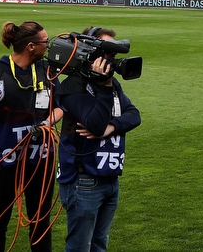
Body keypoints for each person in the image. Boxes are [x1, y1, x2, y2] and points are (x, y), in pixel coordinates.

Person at [0, 20, 63, 252]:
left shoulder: (47, 72)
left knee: (41, 224)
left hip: (41, 162)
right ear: (30, 46)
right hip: (2, 163)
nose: (48, 46)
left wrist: (48, 121)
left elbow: (61, 105)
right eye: (45, 42)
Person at [58, 27, 142, 252]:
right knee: (79, 247)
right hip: (84, 181)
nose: (113, 58)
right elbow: (94, 124)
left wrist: (111, 128)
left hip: (109, 179)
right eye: (108, 52)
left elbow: (134, 115)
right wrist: (104, 88)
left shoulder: (113, 84)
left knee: (99, 245)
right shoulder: (73, 86)